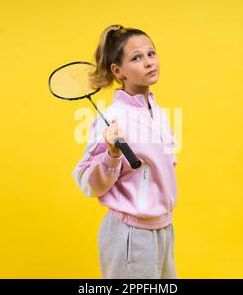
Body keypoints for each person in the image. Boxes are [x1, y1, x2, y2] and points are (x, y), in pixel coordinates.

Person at [72, 24, 178, 279]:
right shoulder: (113, 119)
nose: (148, 62)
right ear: (118, 71)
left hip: (163, 229)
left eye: (151, 54)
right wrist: (112, 154)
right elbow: (87, 182)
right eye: (137, 57)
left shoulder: (159, 112)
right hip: (130, 235)